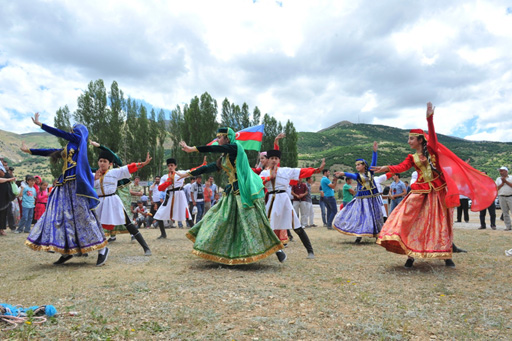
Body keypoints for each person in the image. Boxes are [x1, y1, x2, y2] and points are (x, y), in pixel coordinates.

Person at [372, 102, 496, 268]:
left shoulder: (431, 150)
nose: (409, 141)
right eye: (408, 138)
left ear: (420, 140)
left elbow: (433, 138)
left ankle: (446, 256)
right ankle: (411, 256)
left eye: (411, 138)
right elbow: (402, 167)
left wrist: (429, 119)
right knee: (411, 220)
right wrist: (387, 168)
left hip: (437, 192)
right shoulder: (412, 157)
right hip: (419, 192)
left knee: (441, 224)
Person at [179, 128, 286, 265]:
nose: (217, 140)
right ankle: (224, 252)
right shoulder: (225, 157)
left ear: (227, 138)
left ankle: (277, 250)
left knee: (253, 222)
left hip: (244, 192)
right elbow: (209, 167)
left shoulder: (235, 147)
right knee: (218, 218)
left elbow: (215, 149)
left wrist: (192, 149)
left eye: (219, 138)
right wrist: (188, 174)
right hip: (231, 192)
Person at [21, 113, 109, 266]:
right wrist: (30, 151)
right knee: (61, 217)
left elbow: (59, 133)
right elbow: (51, 151)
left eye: (73, 130)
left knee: (83, 216)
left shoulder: (78, 140)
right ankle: (66, 250)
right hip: (64, 185)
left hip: (76, 185)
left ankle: (103, 249)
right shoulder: (69, 147)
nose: (70, 132)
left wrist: (41, 125)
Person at [261, 150, 324, 258]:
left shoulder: (286, 171)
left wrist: (317, 170)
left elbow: (302, 172)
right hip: (271, 200)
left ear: (279, 160)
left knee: (297, 226)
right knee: (268, 227)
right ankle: (277, 251)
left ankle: (310, 251)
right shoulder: (264, 173)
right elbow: (257, 183)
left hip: (284, 200)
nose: (274, 161)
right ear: (268, 160)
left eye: (276, 158)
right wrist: (270, 177)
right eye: (272, 158)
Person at [93, 149, 152, 256]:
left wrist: (143, 164)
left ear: (110, 164)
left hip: (113, 201)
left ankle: (146, 248)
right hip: (99, 203)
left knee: (128, 224)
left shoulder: (114, 172)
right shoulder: (92, 175)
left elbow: (129, 167)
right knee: (92, 226)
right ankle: (83, 250)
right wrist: (94, 179)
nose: (102, 163)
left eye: (105, 161)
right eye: (100, 161)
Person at [333, 141, 384, 243]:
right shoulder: (357, 176)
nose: (357, 166)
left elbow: (374, 162)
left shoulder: (370, 172)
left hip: (372, 198)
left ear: (364, 165)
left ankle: (377, 235)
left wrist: (375, 152)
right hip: (362, 200)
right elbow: (350, 175)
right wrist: (342, 173)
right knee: (360, 216)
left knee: (374, 216)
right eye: (356, 165)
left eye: (359, 165)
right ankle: (359, 235)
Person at [153, 158, 194, 239]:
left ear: (175, 166)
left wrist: (203, 165)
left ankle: (196, 234)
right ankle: (163, 234)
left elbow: (193, 170)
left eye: (172, 165)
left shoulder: (181, 173)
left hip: (180, 195)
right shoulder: (165, 177)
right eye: (169, 166)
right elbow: (160, 188)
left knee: (187, 215)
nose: (170, 167)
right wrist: (168, 182)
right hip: (170, 195)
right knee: (159, 214)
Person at [0, 163, 16, 236]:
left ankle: (2, 230)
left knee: (3, 215)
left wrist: (11, 175)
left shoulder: (6, 175)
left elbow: (13, 181)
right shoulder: (5, 178)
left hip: (5, 198)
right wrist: (9, 179)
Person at [496, 166, 512, 231]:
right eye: (500, 171)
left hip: (510, 196)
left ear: (506, 171)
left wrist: (506, 181)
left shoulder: (511, 177)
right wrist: (502, 183)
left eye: (502, 171)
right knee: (505, 213)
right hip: (502, 197)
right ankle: (508, 226)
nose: (501, 172)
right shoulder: (498, 179)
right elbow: (496, 188)